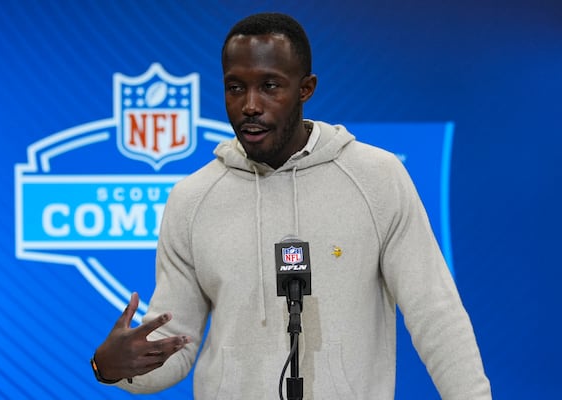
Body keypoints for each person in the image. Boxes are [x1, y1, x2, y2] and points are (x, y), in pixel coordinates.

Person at [92, 12, 492, 399]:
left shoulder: (377, 179)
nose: (250, 104)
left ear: (306, 89)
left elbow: (435, 315)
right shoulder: (192, 199)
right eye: (235, 87)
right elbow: (172, 345)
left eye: (269, 86)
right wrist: (111, 369)